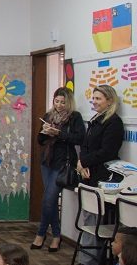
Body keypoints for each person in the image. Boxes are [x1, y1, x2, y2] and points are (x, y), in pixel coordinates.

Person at [31, 87, 85, 251]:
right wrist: (45, 132)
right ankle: (56, 235)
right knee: (51, 201)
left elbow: (79, 138)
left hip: (63, 163)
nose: (59, 105)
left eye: (63, 102)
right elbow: (40, 140)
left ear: (68, 102)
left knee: (48, 200)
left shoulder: (74, 117)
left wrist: (58, 133)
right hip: (47, 161)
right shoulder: (48, 115)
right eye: (56, 101)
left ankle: (41, 233)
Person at [78, 84, 124, 265]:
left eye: (98, 98)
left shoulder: (114, 122)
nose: (94, 101)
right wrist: (81, 163)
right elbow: (85, 146)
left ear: (109, 101)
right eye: (94, 98)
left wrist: (85, 162)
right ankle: (86, 259)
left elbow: (107, 151)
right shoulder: (96, 119)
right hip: (88, 175)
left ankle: (89, 261)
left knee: (95, 222)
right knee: (89, 219)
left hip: (102, 176)